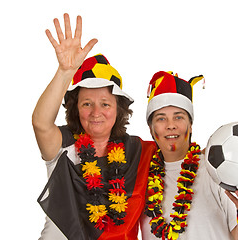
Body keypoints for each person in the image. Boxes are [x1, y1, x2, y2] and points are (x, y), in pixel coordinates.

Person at [32, 13, 155, 240]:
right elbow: (41, 123)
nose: (96, 113)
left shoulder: (137, 150)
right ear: (75, 108)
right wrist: (65, 72)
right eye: (87, 103)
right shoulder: (63, 144)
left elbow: (175, 154)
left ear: (118, 109)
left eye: (105, 104)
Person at [140, 71, 238, 240]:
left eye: (178, 117)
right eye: (161, 119)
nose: (171, 126)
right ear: (151, 129)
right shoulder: (140, 175)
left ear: (190, 125)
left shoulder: (217, 169)